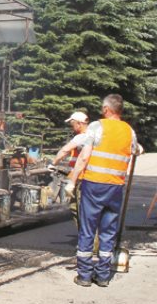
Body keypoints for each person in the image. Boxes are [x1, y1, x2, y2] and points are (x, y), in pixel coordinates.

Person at [66, 94, 139, 287]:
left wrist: (72, 181)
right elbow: (135, 150)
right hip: (115, 187)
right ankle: (103, 276)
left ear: (106, 110)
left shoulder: (97, 127)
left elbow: (83, 157)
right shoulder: (129, 131)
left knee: (88, 230)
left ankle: (84, 275)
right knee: (108, 231)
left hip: (93, 185)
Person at [51, 111, 90, 226]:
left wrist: (53, 163)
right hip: (82, 177)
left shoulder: (82, 137)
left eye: (72, 124)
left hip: (81, 178)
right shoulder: (92, 136)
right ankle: (86, 239)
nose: (72, 127)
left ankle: (87, 241)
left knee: (80, 210)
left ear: (79, 124)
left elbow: (64, 150)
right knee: (75, 207)